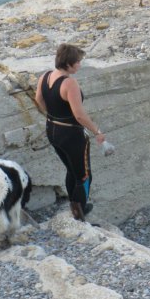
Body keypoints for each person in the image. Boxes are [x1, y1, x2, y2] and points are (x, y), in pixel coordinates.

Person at [35, 44, 105, 221]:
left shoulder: (45, 76)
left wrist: (54, 116)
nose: (80, 65)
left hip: (52, 130)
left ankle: (75, 206)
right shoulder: (69, 83)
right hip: (71, 135)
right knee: (84, 176)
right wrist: (97, 131)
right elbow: (79, 115)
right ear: (69, 64)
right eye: (78, 62)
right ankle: (79, 216)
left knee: (71, 170)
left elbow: (39, 99)